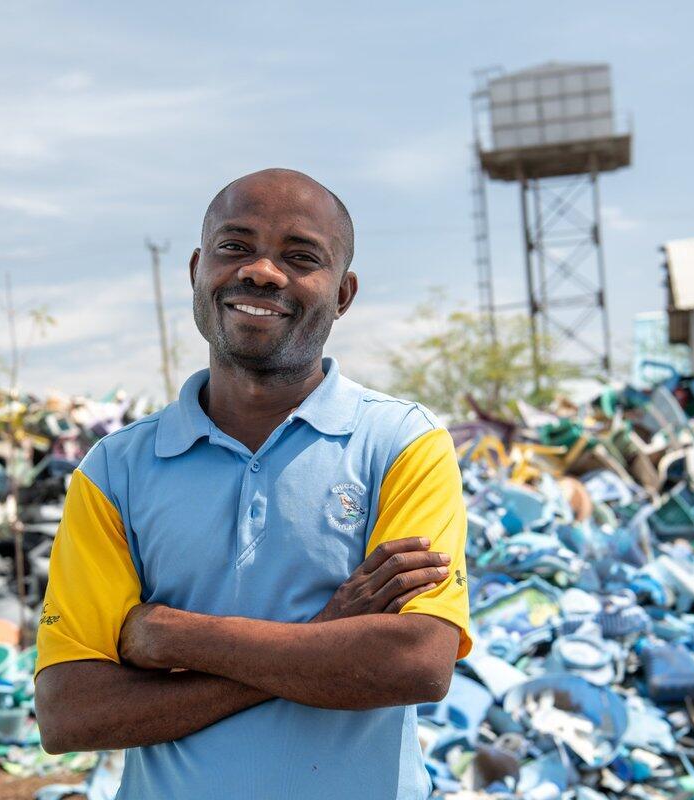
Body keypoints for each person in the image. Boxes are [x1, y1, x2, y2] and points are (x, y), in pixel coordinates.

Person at [34, 168, 470, 799]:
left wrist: (171, 635)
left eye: (300, 257)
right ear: (196, 269)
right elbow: (71, 713)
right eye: (235, 247)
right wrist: (327, 636)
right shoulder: (114, 472)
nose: (262, 272)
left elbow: (415, 663)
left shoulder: (401, 444)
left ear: (343, 294)